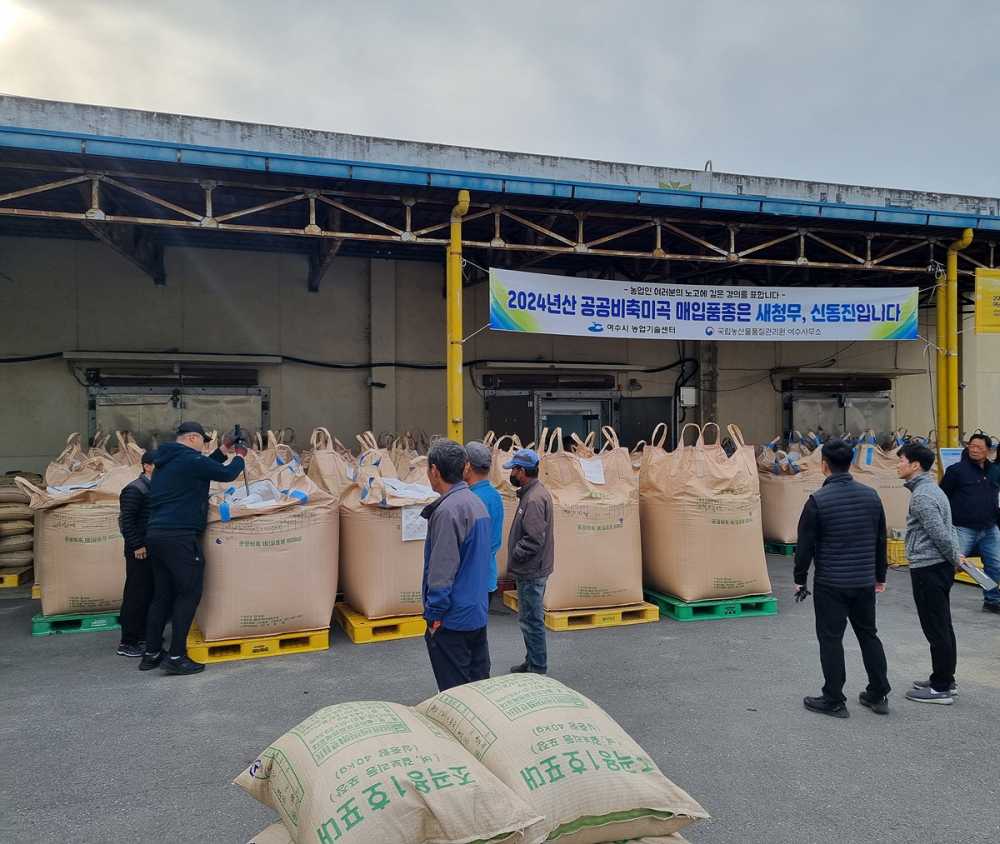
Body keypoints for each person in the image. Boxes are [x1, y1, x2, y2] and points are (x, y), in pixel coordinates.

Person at [794, 438, 891, 718]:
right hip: (863, 581)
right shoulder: (871, 496)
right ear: (850, 464)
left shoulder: (817, 501)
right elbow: (880, 540)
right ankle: (878, 692)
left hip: (831, 584)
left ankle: (834, 698)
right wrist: (879, 575)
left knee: (831, 639)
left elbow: (805, 547)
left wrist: (800, 578)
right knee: (868, 634)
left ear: (824, 465)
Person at [139, 422, 246, 675]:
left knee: (162, 595)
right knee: (189, 593)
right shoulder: (189, 459)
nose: (204, 446)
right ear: (193, 438)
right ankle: (177, 656)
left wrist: (224, 447)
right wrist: (240, 456)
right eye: (203, 441)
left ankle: (152, 653)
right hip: (180, 536)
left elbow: (206, 466)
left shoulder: (166, 460)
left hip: (157, 534)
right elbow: (227, 473)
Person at [421, 439, 494, 691]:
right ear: (464, 467)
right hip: (476, 611)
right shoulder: (476, 503)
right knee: (477, 689)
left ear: (434, 471)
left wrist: (435, 615)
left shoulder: (448, 511)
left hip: (452, 619)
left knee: (456, 694)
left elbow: (442, 570)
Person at [897, 442, 962, 705]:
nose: (898, 464)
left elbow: (940, 533)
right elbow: (951, 528)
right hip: (938, 566)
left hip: (929, 568)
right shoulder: (933, 489)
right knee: (942, 624)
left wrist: (955, 557)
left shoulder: (923, 496)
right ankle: (946, 677)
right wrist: (955, 556)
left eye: (901, 460)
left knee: (935, 627)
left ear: (915, 465)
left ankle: (940, 688)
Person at [504, 448, 554, 675]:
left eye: (513, 469)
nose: (511, 473)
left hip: (532, 571)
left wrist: (516, 553)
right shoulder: (532, 493)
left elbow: (534, 539)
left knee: (531, 621)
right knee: (528, 619)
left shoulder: (533, 499)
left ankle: (538, 669)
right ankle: (531, 661)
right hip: (532, 569)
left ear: (522, 471)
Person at [940, 432, 1000, 614]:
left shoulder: (995, 471)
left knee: (995, 565)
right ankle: (938, 601)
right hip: (962, 528)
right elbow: (942, 497)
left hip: (989, 528)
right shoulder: (956, 471)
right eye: (971, 446)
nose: (974, 450)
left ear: (989, 451)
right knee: (953, 565)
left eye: (979, 447)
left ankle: (993, 600)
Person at [116, 451, 156, 658]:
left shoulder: (153, 488)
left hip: (151, 549)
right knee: (136, 595)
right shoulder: (134, 489)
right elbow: (127, 521)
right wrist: (137, 545)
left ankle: (143, 635)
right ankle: (128, 641)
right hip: (138, 551)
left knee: (149, 593)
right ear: (147, 466)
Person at [464, 441, 503, 595]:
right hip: (488, 576)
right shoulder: (495, 495)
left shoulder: (471, 499)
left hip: (472, 580)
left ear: (467, 466)